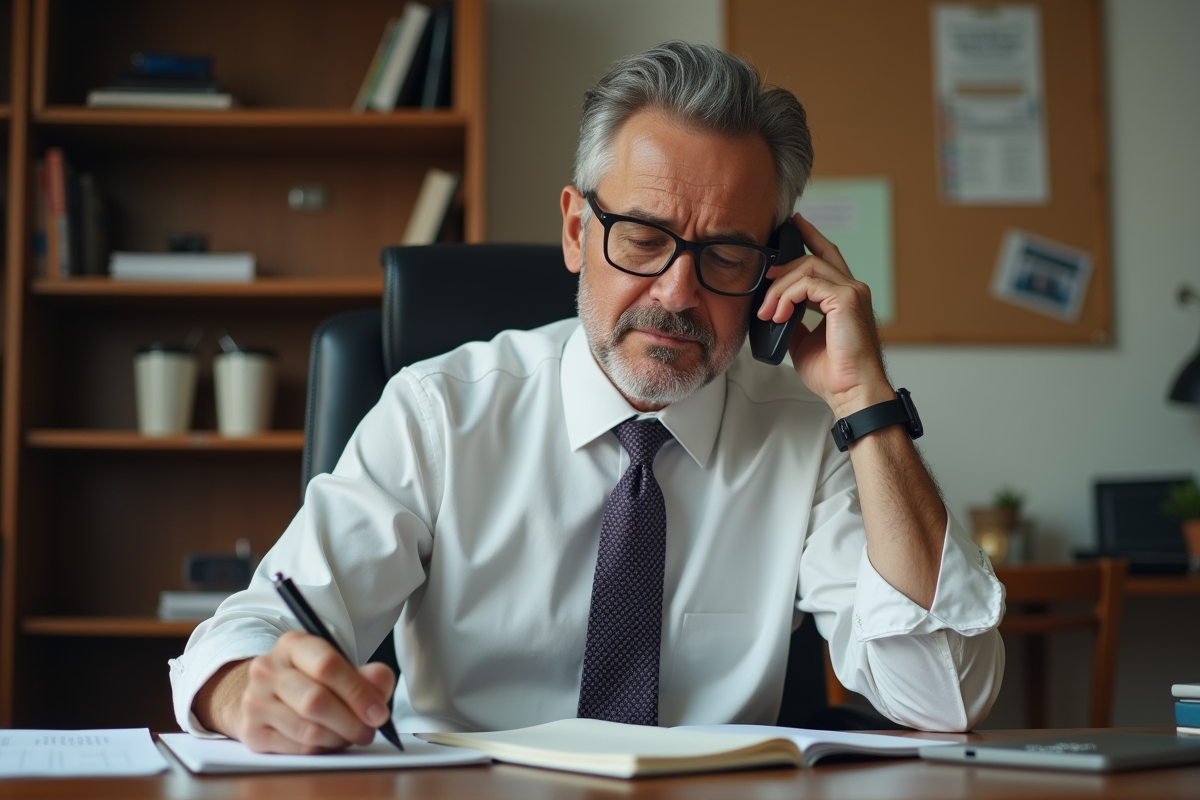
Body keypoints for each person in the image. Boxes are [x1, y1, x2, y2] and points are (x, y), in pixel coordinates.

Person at [171, 42, 1004, 754]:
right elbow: (250, 631)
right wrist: (247, 690)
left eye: (724, 255)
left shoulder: (810, 438)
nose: (677, 294)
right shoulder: (440, 414)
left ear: (774, 269)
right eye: (644, 238)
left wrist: (867, 401)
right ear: (577, 231)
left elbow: (945, 698)